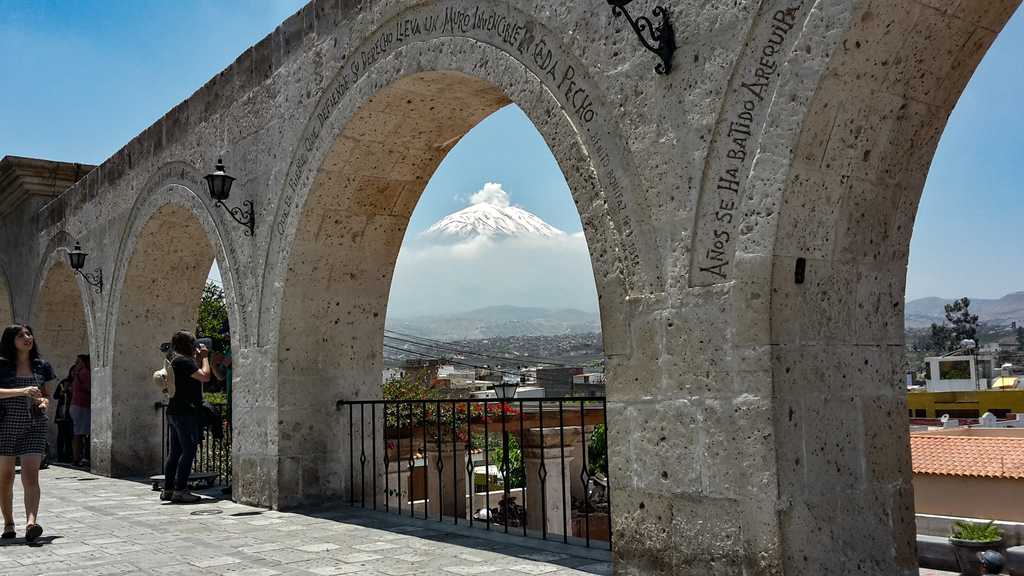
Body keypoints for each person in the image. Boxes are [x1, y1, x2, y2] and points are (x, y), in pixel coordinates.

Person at [0, 325, 53, 542]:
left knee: (31, 475)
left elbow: (45, 394)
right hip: (5, 425)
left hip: (34, 425)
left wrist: (43, 402)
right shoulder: (2, 366)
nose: (27, 338)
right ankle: (9, 522)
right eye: (21, 335)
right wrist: (22, 391)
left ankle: (32, 522)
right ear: (11, 340)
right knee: (5, 478)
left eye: (29, 334)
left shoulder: (42, 366)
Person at [162, 331, 210, 503]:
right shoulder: (184, 361)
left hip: (174, 411)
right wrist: (205, 357)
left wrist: (196, 360)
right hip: (185, 413)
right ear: (189, 344)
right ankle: (180, 489)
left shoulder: (174, 360)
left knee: (175, 452)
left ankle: (168, 489)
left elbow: (193, 375)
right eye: (194, 343)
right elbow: (205, 376)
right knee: (188, 450)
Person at [69, 355, 90, 467]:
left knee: (78, 433)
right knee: (81, 434)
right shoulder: (84, 372)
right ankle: (79, 458)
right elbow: (90, 387)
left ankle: (77, 458)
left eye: (78, 362)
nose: (76, 364)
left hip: (76, 405)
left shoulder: (78, 374)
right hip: (82, 405)